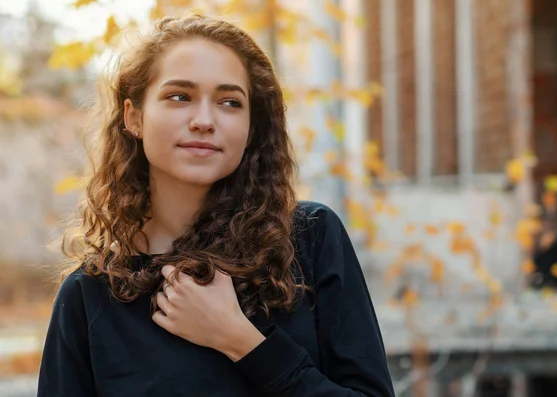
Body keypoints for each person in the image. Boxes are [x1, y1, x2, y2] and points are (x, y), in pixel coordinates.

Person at [37, 14, 395, 397]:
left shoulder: (310, 239)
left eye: (229, 102)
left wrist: (241, 341)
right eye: (180, 97)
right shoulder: (89, 295)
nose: (204, 120)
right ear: (134, 117)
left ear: (251, 127)